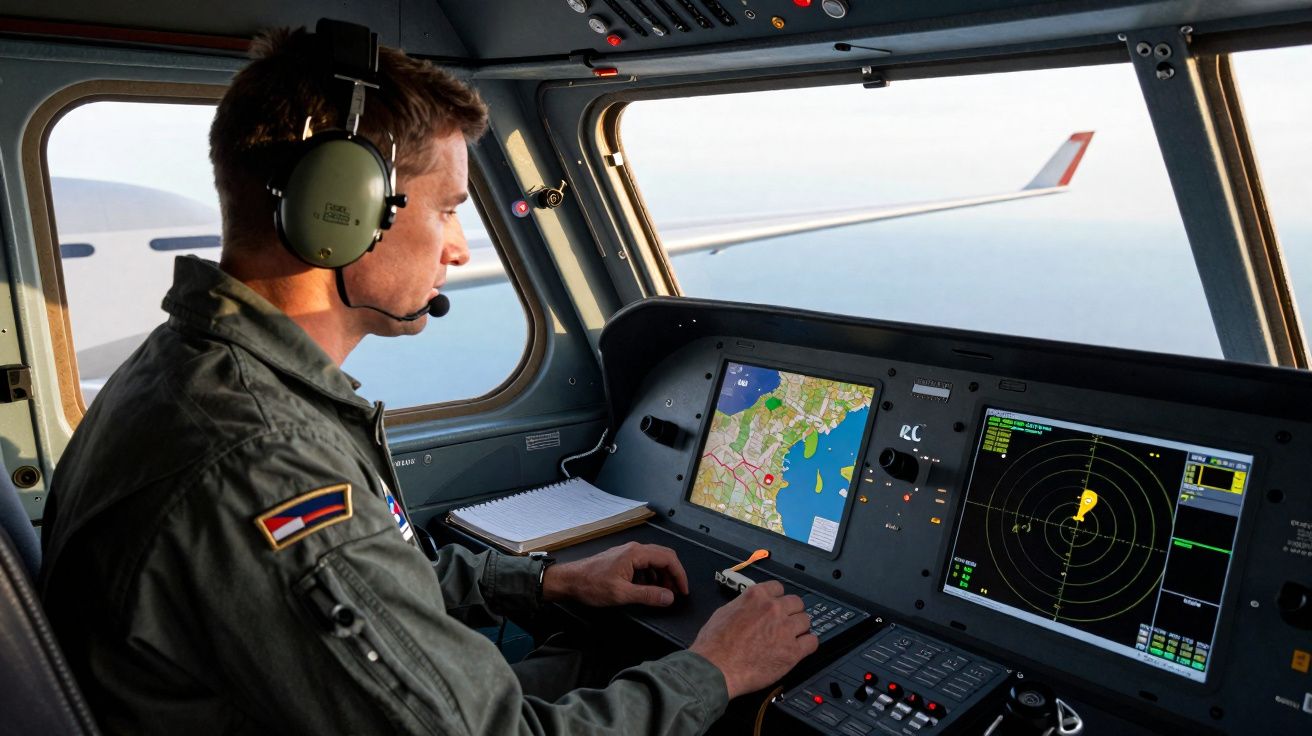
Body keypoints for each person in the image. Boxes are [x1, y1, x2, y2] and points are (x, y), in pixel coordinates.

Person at [38, 23, 818, 735]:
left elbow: (367, 584)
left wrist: (548, 584)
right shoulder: (263, 461)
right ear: (341, 209)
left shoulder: (187, 369)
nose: (456, 248)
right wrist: (715, 670)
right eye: (447, 209)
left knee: (593, 658)